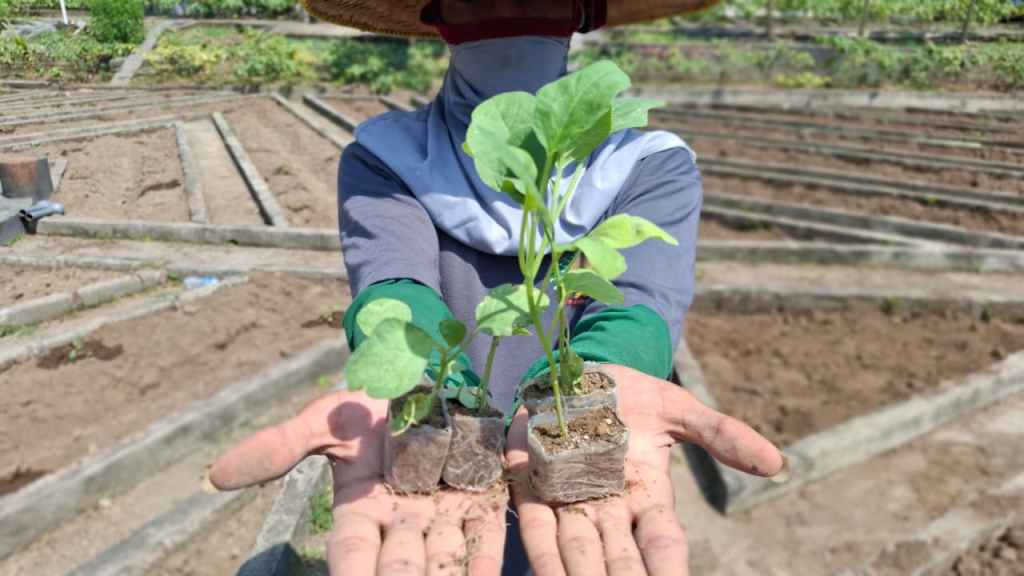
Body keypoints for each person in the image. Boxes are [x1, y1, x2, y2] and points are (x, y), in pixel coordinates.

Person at [210, 1, 788, 574]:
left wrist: (600, 377)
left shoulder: (645, 164)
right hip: (450, 445)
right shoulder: (387, 157)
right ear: (436, 16)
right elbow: (395, 286)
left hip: (574, 448)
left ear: (581, 12)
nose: (508, 6)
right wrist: (428, 383)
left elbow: (639, 306)